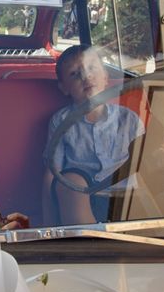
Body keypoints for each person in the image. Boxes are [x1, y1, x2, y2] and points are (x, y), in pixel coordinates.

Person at [42, 44, 144, 225]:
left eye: (91, 68)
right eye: (74, 74)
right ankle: (89, 244)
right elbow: (52, 173)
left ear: (105, 77)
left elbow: (145, 167)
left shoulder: (129, 119)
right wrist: (48, 224)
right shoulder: (61, 122)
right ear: (64, 88)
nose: (85, 76)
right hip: (84, 199)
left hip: (126, 200)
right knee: (70, 180)